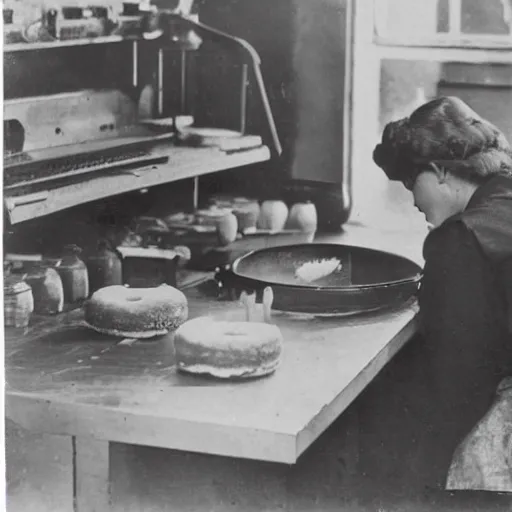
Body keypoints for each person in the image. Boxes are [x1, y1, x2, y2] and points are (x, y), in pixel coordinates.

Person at [371, 96, 512, 496]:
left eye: (410, 183)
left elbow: (453, 377)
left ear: (439, 172)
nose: (413, 201)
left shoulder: (461, 241)